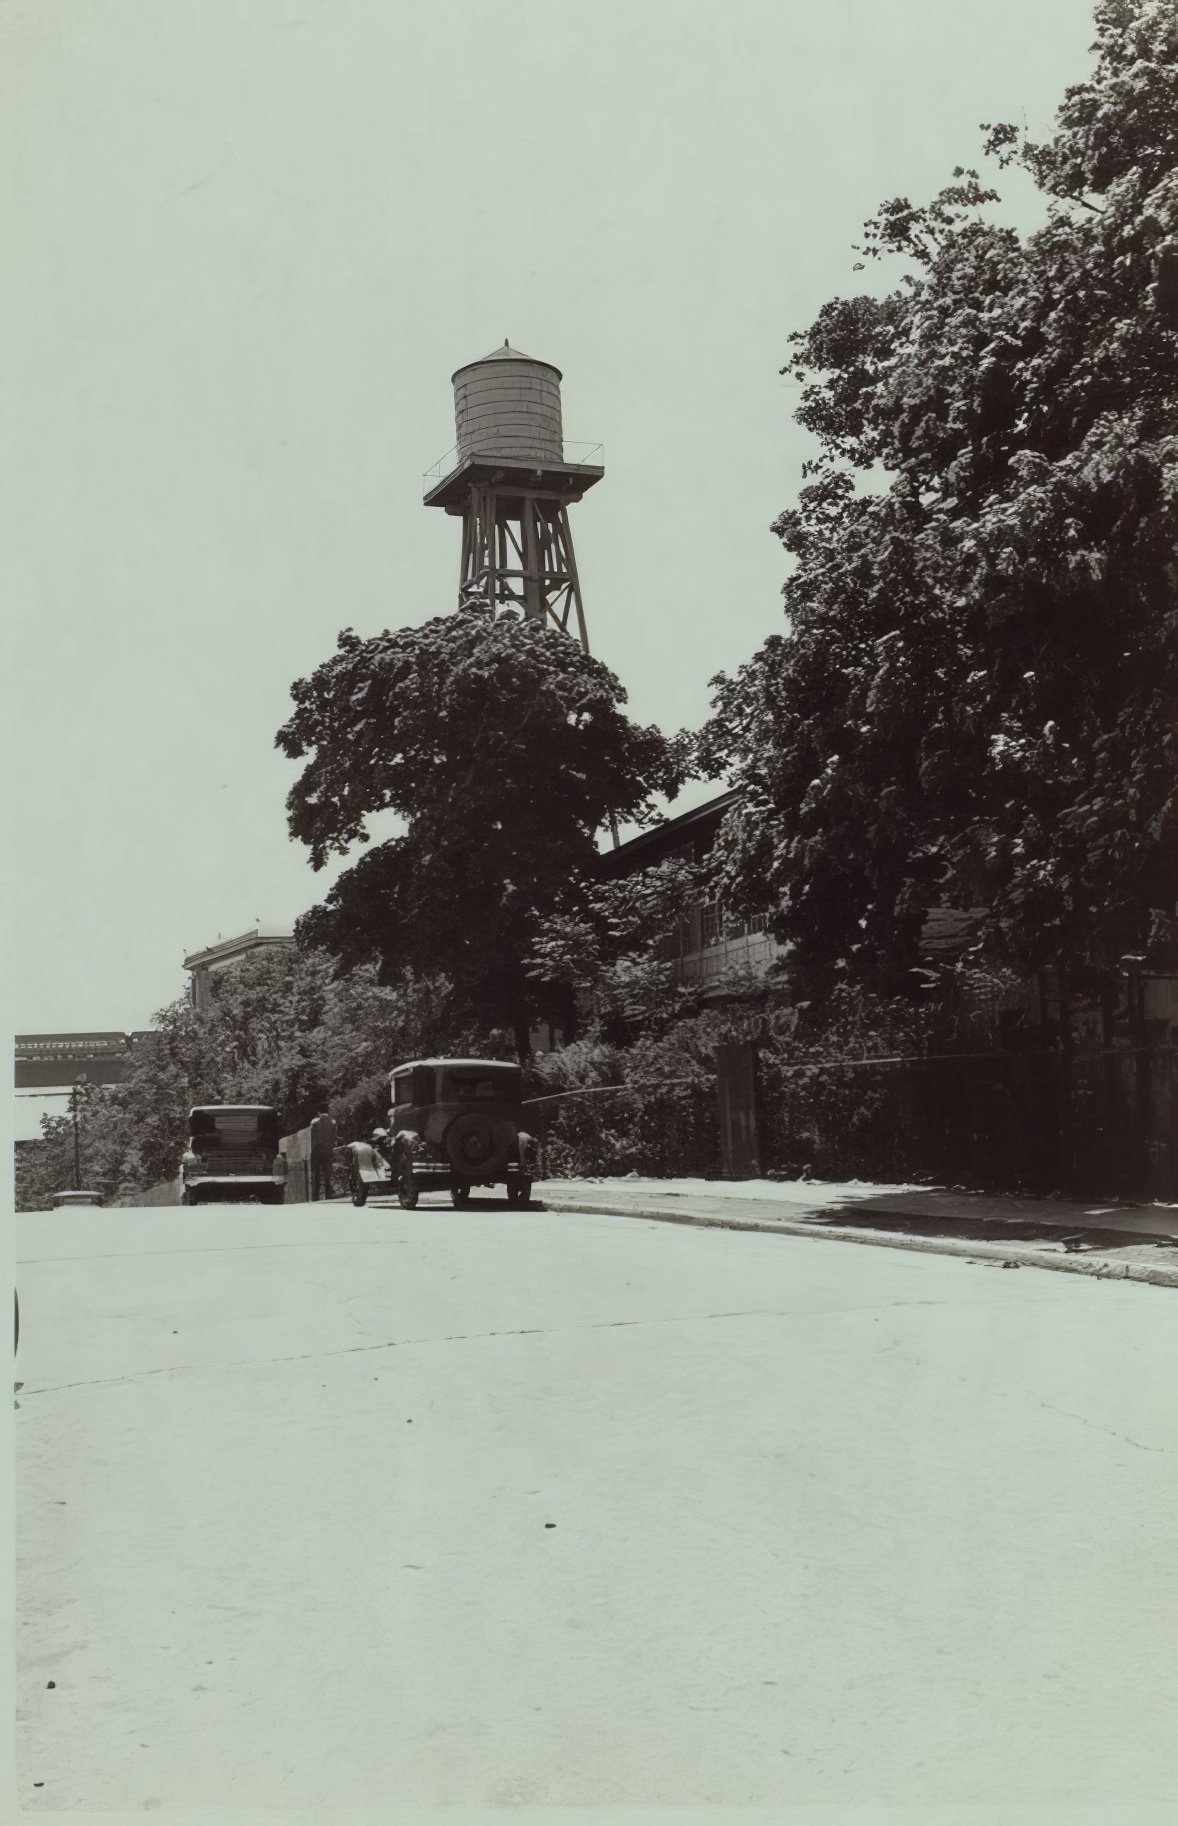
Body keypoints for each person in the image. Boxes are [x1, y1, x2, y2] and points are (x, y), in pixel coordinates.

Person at [309, 1107, 336, 1201]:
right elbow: (334, 1137)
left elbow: (311, 1137)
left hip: (316, 1151)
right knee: (327, 1173)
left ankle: (315, 1196)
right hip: (328, 1151)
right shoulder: (333, 1122)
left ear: (318, 1112)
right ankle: (328, 1194)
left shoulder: (314, 1122)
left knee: (316, 1174)